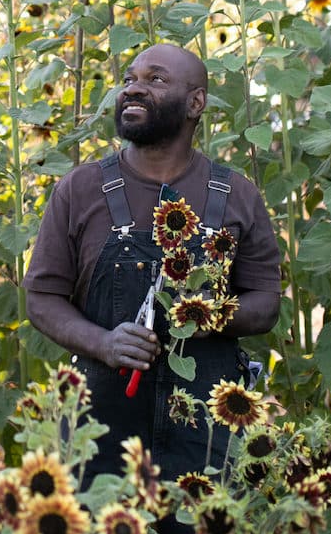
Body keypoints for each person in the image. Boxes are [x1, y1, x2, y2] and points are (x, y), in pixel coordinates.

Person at [24, 43, 282, 495]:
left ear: (195, 102)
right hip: (101, 428)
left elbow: (266, 304)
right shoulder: (80, 189)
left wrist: (206, 317)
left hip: (207, 427)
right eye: (128, 80)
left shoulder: (236, 194)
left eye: (155, 80)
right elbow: (41, 298)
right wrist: (104, 343)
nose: (133, 90)